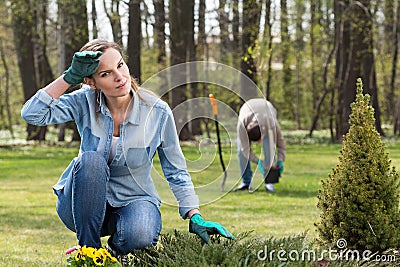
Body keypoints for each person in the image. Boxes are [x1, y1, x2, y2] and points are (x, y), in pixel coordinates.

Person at [21, 39, 234, 264]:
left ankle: (112, 253)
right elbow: (32, 114)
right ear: (91, 83)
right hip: (79, 203)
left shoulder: (158, 112)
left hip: (134, 198)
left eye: (120, 65)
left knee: (141, 236)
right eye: (105, 74)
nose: (119, 77)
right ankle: (90, 253)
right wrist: (68, 78)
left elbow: (176, 170)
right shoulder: (83, 101)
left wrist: (194, 214)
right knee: (91, 160)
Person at [235, 98, 286, 192]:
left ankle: (269, 181)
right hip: (247, 107)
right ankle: (246, 182)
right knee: (241, 151)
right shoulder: (242, 126)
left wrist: (280, 160)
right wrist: (259, 162)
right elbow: (245, 150)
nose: (259, 142)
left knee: (269, 149)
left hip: (266, 109)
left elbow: (281, 144)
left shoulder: (271, 123)